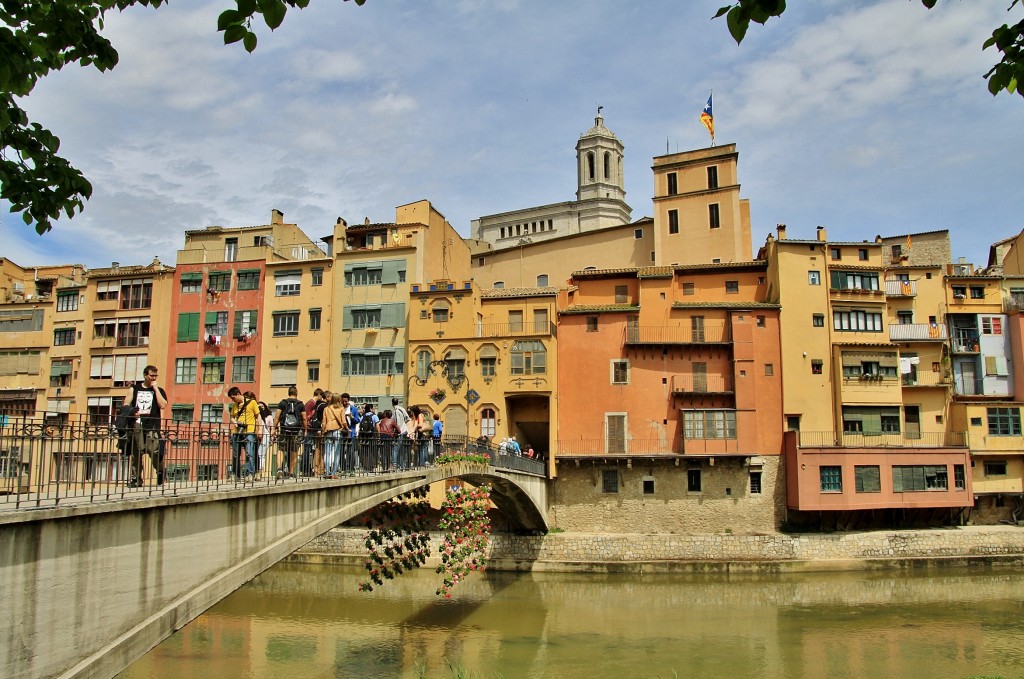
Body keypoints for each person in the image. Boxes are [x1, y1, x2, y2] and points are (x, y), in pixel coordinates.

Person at [125, 365, 167, 487]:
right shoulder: (134, 389)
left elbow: (163, 405)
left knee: (154, 451)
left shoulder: (159, 390)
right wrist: (133, 412)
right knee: (136, 453)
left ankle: (160, 471)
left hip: (153, 426)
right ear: (145, 375)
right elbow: (126, 404)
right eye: (151, 375)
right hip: (137, 425)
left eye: (155, 375)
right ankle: (136, 478)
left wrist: (156, 389)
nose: (153, 378)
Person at [228, 386, 261, 481]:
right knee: (235, 454)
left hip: (249, 431)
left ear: (238, 394)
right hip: (237, 432)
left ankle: (249, 473)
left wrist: (259, 429)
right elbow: (232, 417)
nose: (233, 400)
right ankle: (236, 474)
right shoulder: (235, 405)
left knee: (249, 453)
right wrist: (235, 423)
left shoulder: (252, 402)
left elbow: (258, 416)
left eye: (233, 398)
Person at [275, 386, 305, 478]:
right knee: (294, 450)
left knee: (280, 449)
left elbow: (277, 416)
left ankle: (279, 468)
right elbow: (304, 418)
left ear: (288, 393)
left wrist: (273, 428)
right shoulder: (300, 404)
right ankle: (291, 472)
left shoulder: (283, 403)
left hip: (284, 429)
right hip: (295, 431)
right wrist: (305, 430)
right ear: (296, 393)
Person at [321, 393, 348, 478]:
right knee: (337, 453)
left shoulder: (326, 408)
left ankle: (327, 472)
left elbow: (324, 422)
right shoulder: (341, 408)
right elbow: (343, 421)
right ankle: (334, 472)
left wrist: (323, 431)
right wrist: (347, 429)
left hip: (328, 430)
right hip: (337, 431)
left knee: (327, 452)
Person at [391, 397, 410, 470]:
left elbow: (397, 422)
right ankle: (402, 465)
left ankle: (395, 464)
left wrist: (396, 430)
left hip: (400, 431)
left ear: (392, 403)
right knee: (402, 449)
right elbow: (407, 418)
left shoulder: (396, 411)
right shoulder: (402, 409)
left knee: (395, 449)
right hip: (405, 430)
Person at [257, 400, 273, 480]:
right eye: (259, 407)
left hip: (265, 436)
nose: (261, 408)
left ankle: (259, 471)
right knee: (257, 454)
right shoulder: (256, 416)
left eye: (262, 406)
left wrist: (272, 439)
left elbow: (271, 428)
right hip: (257, 436)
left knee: (261, 454)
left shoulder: (269, 417)